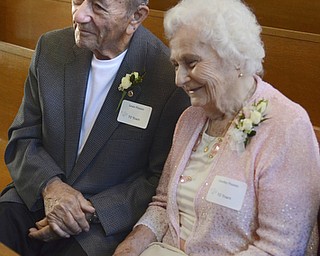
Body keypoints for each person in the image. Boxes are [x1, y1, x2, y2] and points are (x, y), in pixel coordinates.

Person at [113, 0, 320, 255]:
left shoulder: (287, 127)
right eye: (176, 65)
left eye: (191, 63)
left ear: (234, 57)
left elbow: (279, 248)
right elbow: (163, 204)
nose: (179, 80)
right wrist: (131, 246)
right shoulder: (190, 119)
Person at [0, 0, 190, 255]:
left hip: (100, 221)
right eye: (77, 0)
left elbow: (157, 179)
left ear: (136, 17)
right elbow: (23, 137)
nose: (79, 15)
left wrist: (87, 212)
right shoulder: (51, 47)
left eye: (98, 7)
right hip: (36, 193)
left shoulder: (167, 77)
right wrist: (52, 187)